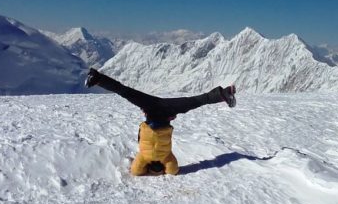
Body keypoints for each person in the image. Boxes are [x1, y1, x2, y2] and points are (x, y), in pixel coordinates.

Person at [85, 68, 236, 176]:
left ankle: (224, 93)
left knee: (196, 100)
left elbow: (168, 170)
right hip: (155, 107)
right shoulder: (155, 157)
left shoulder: (161, 158)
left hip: (165, 109)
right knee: (125, 91)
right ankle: (97, 78)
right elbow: (141, 170)